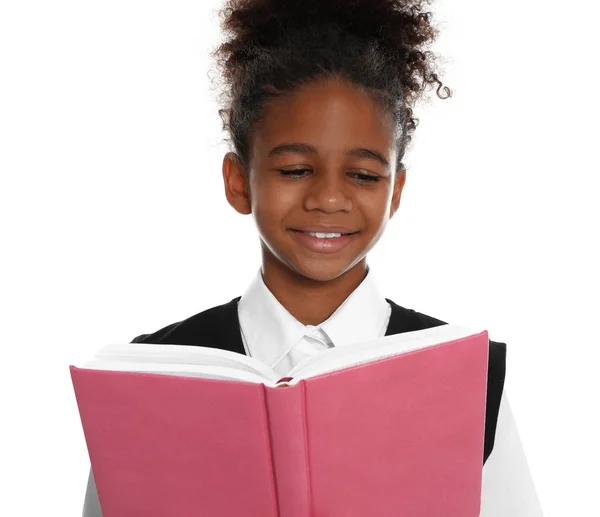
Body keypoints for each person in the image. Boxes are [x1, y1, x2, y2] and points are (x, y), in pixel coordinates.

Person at [82, 0, 543, 515]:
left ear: (396, 191)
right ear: (239, 182)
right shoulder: (148, 376)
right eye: (296, 169)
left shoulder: (469, 375)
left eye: (364, 175)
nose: (328, 198)